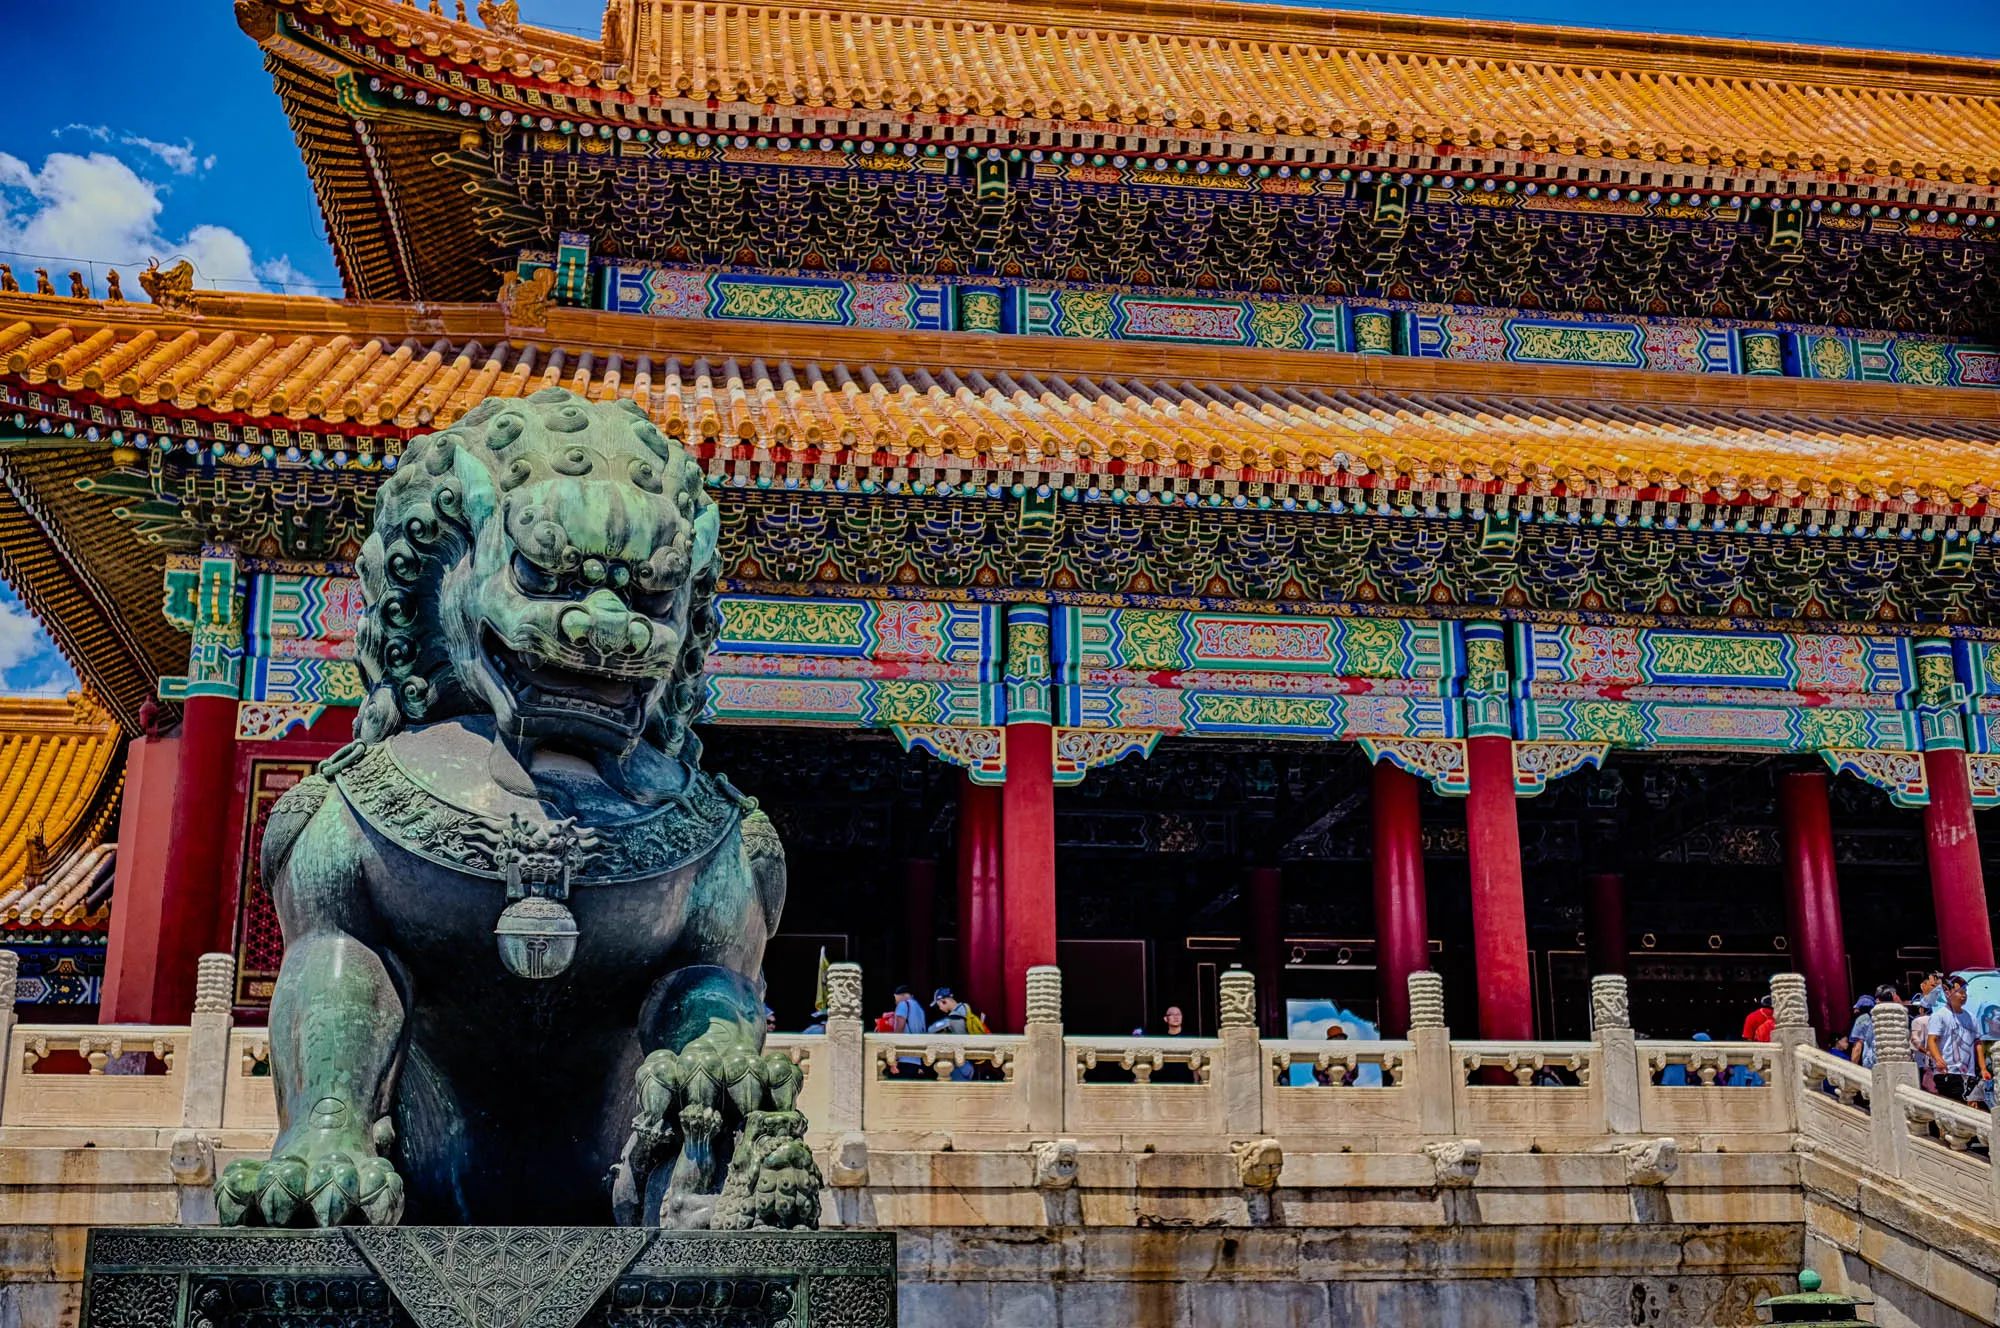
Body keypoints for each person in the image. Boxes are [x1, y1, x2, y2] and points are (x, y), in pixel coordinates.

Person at [1927, 976, 1990, 1103]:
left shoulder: (1971, 1018)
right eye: (1960, 992)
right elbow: (1932, 1040)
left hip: (1969, 1074)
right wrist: (1938, 1059)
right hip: (1948, 1072)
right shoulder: (1939, 1016)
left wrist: (1983, 1068)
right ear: (1947, 992)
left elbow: (1977, 1043)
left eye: (1965, 992)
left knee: (1973, 1108)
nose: (1964, 995)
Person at [1847, 995, 1877, 1069]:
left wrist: (1852, 1069)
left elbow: (1857, 1047)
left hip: (1870, 1062)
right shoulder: (1880, 1017)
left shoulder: (1861, 1020)